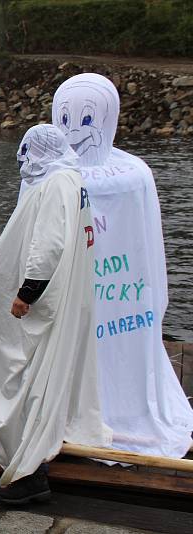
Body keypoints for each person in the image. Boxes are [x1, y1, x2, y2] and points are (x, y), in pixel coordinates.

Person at [46, 73, 193, 459]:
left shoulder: (130, 175)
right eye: (65, 119)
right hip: (93, 299)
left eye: (88, 120)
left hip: (115, 302)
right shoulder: (59, 172)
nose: (75, 130)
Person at [0, 124, 113, 504]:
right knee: (47, 380)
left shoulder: (55, 185)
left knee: (29, 380)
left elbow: (49, 244)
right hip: (69, 299)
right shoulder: (73, 179)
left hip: (47, 304)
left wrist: (26, 293)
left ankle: (28, 470)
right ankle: (37, 457)